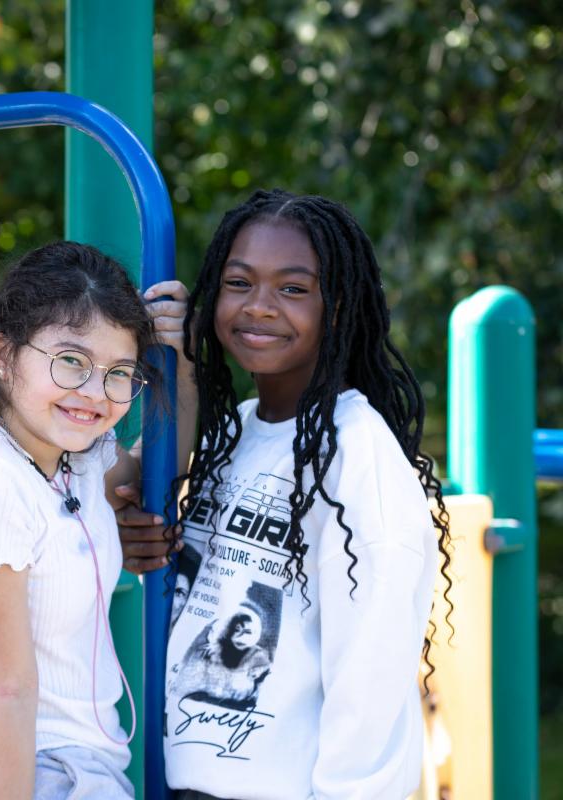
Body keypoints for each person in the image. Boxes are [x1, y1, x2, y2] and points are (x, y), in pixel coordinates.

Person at [126, 189, 451, 800]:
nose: (260, 308)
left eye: (294, 289)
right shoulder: (236, 433)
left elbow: (370, 678)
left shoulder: (357, 455)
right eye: (238, 282)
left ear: (340, 307)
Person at [0, 241, 189, 799]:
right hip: (29, 772)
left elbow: (150, 474)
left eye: (118, 372)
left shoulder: (69, 448)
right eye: (70, 361)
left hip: (75, 768)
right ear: (3, 354)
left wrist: (185, 361)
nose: (94, 393)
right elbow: (7, 690)